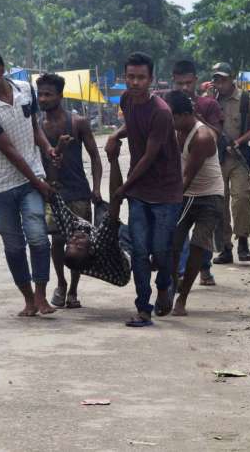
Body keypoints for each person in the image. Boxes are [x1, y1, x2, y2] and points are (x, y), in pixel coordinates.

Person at [0, 49, 57, 317]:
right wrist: (39, 182)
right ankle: (28, 298)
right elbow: (10, 151)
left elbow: (34, 127)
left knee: (39, 238)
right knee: (14, 246)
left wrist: (46, 147)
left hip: (30, 180)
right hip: (1, 186)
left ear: (1, 70)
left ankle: (41, 297)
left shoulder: (26, 90)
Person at [105, 52, 183, 327]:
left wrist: (123, 187)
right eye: (130, 77)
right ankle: (143, 308)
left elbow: (149, 156)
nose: (135, 82)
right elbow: (134, 126)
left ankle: (164, 284)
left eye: (140, 78)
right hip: (139, 190)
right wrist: (116, 134)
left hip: (165, 190)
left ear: (151, 79)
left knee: (160, 251)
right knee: (139, 250)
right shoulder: (126, 100)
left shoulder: (162, 112)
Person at [36, 73, 103, 309]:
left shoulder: (78, 123)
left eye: (48, 94)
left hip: (79, 192)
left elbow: (95, 157)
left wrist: (96, 188)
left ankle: (73, 289)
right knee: (56, 241)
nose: (43, 99)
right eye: (40, 94)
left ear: (60, 96)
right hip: (53, 193)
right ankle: (61, 284)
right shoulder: (37, 127)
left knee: (79, 244)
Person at [165, 91, 225, 317]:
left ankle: (182, 298)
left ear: (183, 115)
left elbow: (187, 178)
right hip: (188, 195)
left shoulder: (202, 137)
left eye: (171, 117)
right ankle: (171, 286)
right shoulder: (178, 130)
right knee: (172, 244)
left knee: (198, 247)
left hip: (209, 196)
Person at [171, 60, 223, 286]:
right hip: (184, 182)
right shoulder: (170, 107)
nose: (184, 87)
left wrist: (194, 113)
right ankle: (179, 276)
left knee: (200, 241)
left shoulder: (208, 106)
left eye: (188, 82)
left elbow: (216, 135)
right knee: (176, 236)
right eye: (180, 83)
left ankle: (201, 269)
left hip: (206, 186)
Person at [48, 145, 130, 289]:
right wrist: (113, 160)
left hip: (99, 255)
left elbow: (53, 196)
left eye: (70, 244)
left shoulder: (73, 234)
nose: (74, 239)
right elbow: (116, 198)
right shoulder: (102, 244)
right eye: (78, 245)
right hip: (125, 256)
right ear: (91, 249)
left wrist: (55, 163)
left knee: (99, 208)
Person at [211, 62, 250, 264]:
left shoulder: (247, 99)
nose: (220, 84)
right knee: (219, 203)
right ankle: (225, 247)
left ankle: (242, 240)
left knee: (241, 198)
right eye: (217, 79)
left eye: (223, 79)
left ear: (231, 78)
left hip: (239, 157)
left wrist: (238, 142)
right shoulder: (211, 100)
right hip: (216, 159)